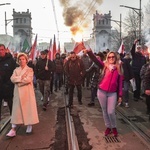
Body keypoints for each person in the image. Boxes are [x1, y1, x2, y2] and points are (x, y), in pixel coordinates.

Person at [86, 49, 123, 137]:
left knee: (111, 111)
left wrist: (120, 95)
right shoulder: (104, 66)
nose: (111, 58)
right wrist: (89, 52)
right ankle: (108, 127)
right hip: (101, 91)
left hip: (112, 93)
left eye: (113, 57)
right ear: (107, 58)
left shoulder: (119, 68)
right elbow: (95, 59)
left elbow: (120, 83)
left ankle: (114, 127)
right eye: (109, 57)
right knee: (104, 110)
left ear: (115, 58)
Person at [6, 53, 39, 137]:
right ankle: (13, 129)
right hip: (18, 93)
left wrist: (18, 80)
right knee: (16, 110)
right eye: (20, 59)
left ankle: (29, 125)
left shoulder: (30, 69)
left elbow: (28, 79)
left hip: (27, 93)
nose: (21, 61)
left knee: (28, 109)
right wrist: (21, 78)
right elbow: (12, 79)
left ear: (26, 60)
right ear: (18, 61)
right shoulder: (16, 70)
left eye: (23, 59)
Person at [0, 44, 16, 121]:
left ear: (5, 50)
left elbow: (15, 73)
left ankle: (13, 118)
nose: (0, 51)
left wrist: (9, 83)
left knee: (10, 103)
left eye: (2, 49)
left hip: (8, 86)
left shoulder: (11, 60)